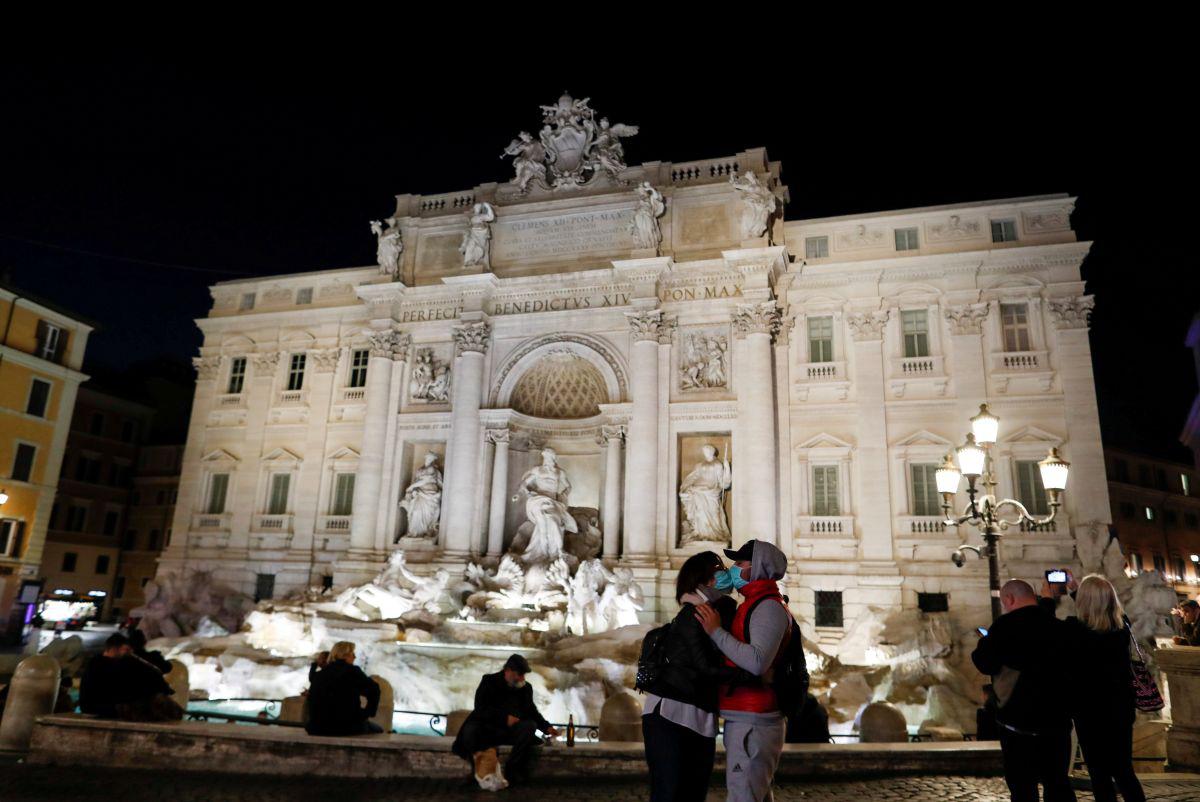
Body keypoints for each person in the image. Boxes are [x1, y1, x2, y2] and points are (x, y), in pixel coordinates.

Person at [695, 539, 793, 802]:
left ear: (758, 567)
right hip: (748, 714)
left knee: (743, 795)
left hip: (755, 718)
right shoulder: (754, 603)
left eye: (740, 563)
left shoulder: (768, 607)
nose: (734, 569)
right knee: (754, 793)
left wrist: (715, 632)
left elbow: (757, 661)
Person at [642, 551, 738, 802]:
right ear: (705, 579)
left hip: (699, 712)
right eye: (718, 568)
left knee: (693, 792)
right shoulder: (692, 615)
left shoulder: (717, 611)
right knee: (670, 792)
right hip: (669, 714)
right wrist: (754, 676)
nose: (726, 573)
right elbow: (704, 667)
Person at [972, 579, 1075, 802]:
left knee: (1022, 789)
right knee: (1058, 784)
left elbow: (984, 663)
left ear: (1009, 599)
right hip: (1056, 723)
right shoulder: (1058, 627)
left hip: (1018, 725)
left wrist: (985, 642)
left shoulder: (1003, 627)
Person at [1060, 575, 1146, 802]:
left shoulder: (1073, 630)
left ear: (1083, 602)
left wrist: (1071, 592)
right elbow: (1100, 612)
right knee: (1124, 770)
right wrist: (1082, 590)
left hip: (1088, 711)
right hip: (1120, 708)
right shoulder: (1121, 628)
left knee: (1099, 773)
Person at [452, 654, 559, 785]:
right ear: (508, 671)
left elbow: (531, 712)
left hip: (510, 732)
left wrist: (547, 727)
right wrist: (504, 718)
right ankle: (478, 771)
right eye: (519, 674)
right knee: (470, 730)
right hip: (489, 729)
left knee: (530, 726)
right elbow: (480, 708)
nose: (522, 678)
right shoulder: (489, 682)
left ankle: (511, 770)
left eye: (523, 675)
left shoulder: (525, 688)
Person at [79, 632, 181, 721]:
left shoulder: (97, 663)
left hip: (99, 707)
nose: (130, 652)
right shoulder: (109, 665)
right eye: (126, 649)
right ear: (115, 648)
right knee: (164, 707)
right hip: (104, 708)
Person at [305, 641, 383, 736]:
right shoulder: (353, 671)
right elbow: (374, 689)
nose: (355, 657)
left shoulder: (320, 674)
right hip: (346, 727)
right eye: (352, 654)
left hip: (317, 728)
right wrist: (368, 713)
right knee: (379, 730)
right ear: (345, 655)